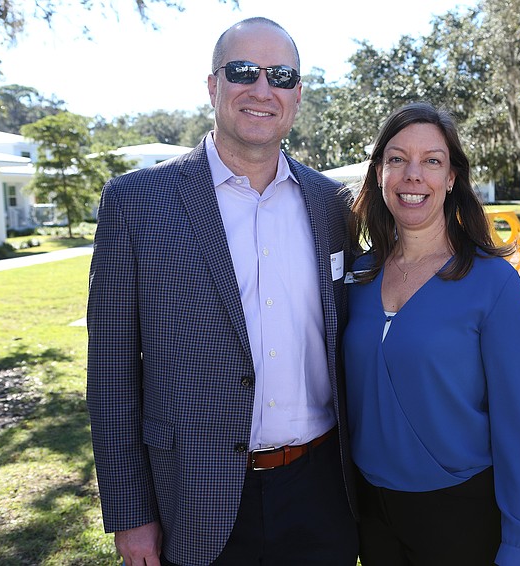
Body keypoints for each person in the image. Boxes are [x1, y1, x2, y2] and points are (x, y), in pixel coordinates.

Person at [86, 17, 357, 566]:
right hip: (194, 498)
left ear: (297, 95)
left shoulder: (333, 205)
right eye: (243, 72)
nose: (262, 90)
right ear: (213, 86)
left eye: (281, 76)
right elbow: (112, 373)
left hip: (322, 491)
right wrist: (130, 513)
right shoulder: (136, 203)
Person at [343, 101, 520, 566]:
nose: (413, 175)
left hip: (460, 512)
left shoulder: (492, 282)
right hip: (371, 515)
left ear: (451, 177)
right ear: (379, 173)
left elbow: (518, 424)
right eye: (397, 159)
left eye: (432, 161)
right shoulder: (357, 277)